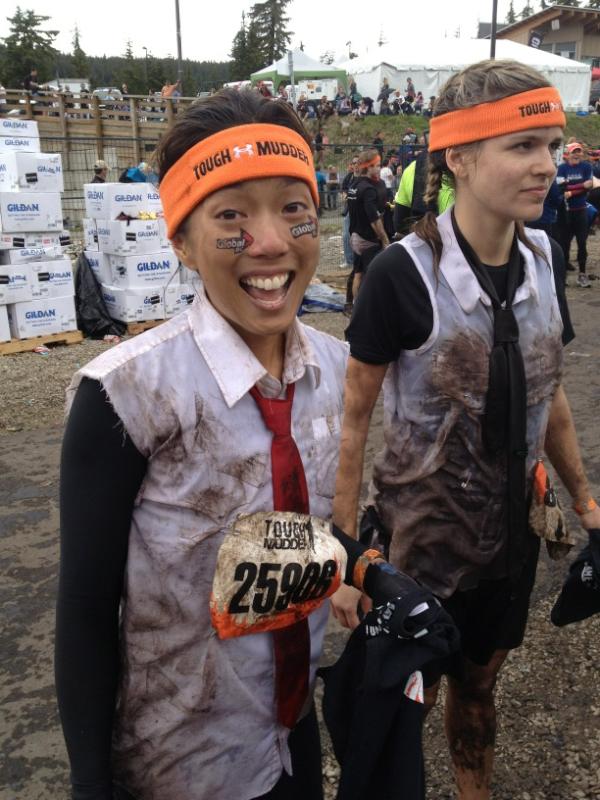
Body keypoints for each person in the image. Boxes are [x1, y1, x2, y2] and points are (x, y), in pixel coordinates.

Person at [56, 87, 450, 800]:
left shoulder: (334, 370)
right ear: (180, 240)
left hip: (290, 735)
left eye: (293, 209)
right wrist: (90, 784)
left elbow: (302, 525)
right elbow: (85, 605)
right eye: (231, 216)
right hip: (179, 761)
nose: (270, 242)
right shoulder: (125, 395)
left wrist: (368, 572)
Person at [331, 59, 599, 800]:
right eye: (523, 146)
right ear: (459, 156)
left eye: (552, 145)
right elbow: (353, 422)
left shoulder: (543, 260)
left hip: (509, 539)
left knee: (479, 689)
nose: (546, 165)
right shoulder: (402, 274)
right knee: (397, 706)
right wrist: (347, 557)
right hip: (418, 546)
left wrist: (584, 499)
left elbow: (551, 392)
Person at [347, 149, 389, 301]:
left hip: (355, 236)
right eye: (377, 165)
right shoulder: (368, 189)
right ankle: (366, 307)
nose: (379, 168)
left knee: (358, 274)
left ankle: (355, 306)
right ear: (368, 167)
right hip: (367, 239)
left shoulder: (354, 184)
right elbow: (374, 220)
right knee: (372, 277)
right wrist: (385, 240)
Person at [556, 142, 594, 287]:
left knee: (582, 243)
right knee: (564, 244)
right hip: (566, 212)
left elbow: (589, 185)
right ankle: (564, 276)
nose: (577, 154)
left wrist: (571, 191)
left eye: (579, 151)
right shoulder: (562, 168)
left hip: (581, 210)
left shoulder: (586, 166)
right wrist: (581, 186)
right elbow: (561, 189)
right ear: (568, 154)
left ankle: (582, 275)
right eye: (574, 152)